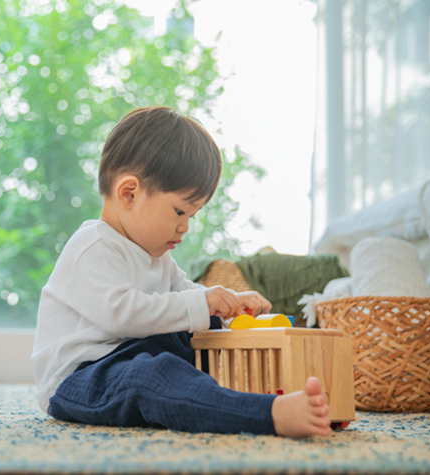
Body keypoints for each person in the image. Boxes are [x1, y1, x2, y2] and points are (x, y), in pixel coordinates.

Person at [31, 106, 332, 438]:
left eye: (192, 214)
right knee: (151, 377)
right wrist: (202, 305)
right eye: (179, 210)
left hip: (130, 354)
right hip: (80, 377)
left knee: (200, 332)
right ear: (129, 193)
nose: (185, 226)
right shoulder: (92, 247)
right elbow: (123, 315)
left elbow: (183, 294)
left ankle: (257, 392)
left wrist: (227, 305)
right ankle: (266, 414)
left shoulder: (154, 253)